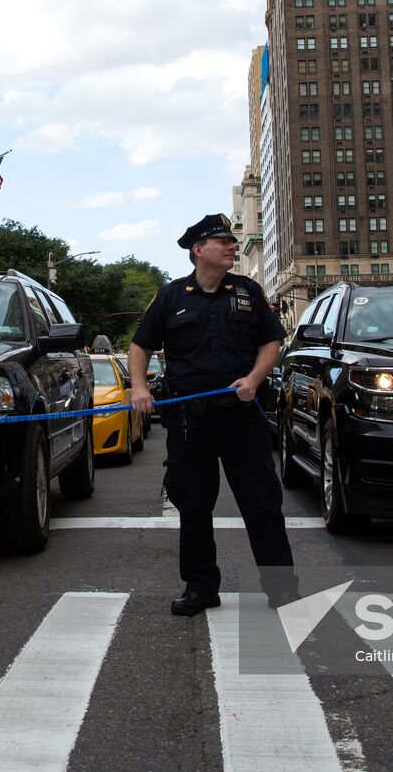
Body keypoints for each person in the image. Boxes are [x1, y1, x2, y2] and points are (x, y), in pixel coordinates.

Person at [128, 213, 295, 616]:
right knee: (195, 506)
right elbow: (140, 347)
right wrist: (138, 386)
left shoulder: (249, 292)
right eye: (223, 241)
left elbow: (271, 341)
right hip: (190, 420)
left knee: (262, 504)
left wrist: (254, 379)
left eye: (232, 241)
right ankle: (201, 587)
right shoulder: (170, 297)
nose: (232, 246)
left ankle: (282, 590)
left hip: (242, 417)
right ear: (198, 250)